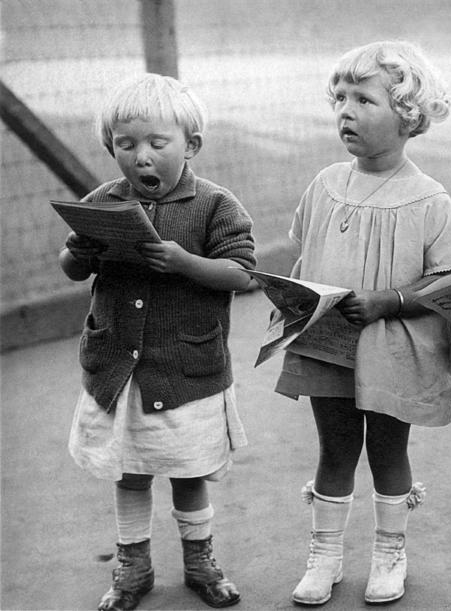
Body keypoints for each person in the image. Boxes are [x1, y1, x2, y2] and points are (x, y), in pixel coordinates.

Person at [275, 41, 451, 606]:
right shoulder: (325, 184)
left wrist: (389, 300)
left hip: (393, 349)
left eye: (364, 99)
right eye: (340, 98)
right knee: (334, 449)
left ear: (408, 114)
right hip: (328, 342)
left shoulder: (429, 199)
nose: (346, 111)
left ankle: (389, 553)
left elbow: (448, 281)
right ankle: (325, 555)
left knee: (387, 451)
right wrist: (287, 298)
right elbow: (304, 257)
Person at [61, 74, 256, 611]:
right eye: (126, 145)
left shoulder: (216, 204)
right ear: (111, 148)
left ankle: (200, 561)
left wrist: (185, 262)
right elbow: (73, 264)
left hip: (186, 368)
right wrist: (80, 253)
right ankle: (134, 566)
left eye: (156, 143)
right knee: (129, 471)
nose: (141, 157)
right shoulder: (104, 200)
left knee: (189, 470)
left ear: (190, 146)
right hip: (118, 369)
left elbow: (243, 274)